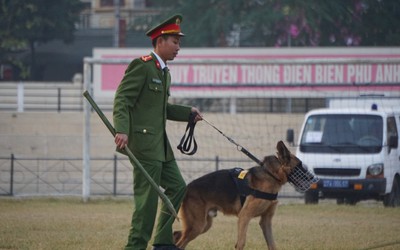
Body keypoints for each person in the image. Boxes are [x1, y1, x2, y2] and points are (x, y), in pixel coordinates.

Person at [113, 14, 202, 250]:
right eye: (175, 41)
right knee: (147, 203)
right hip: (143, 146)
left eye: (179, 42)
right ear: (160, 41)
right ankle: (135, 247)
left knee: (178, 187)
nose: (178, 48)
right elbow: (122, 99)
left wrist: (188, 113)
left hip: (160, 147)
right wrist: (122, 130)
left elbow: (162, 109)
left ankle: (163, 243)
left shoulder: (164, 72)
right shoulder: (141, 66)